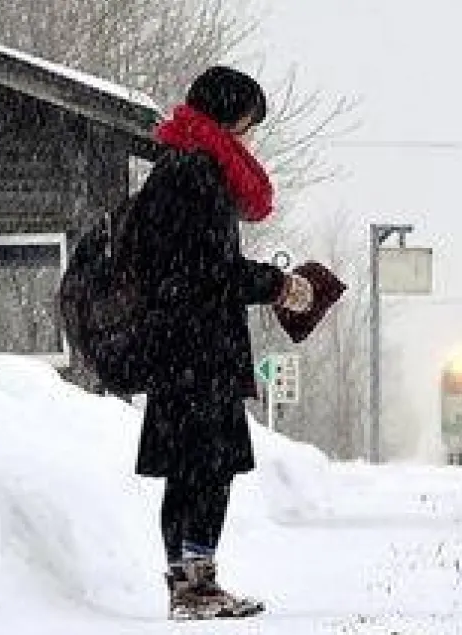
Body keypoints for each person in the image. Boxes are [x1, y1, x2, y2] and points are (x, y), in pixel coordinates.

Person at [121, 65, 313, 620]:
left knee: (187, 470)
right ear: (231, 116)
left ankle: (186, 586)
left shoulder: (175, 167)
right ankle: (198, 589)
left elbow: (187, 267)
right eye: (248, 123)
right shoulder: (200, 174)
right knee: (208, 469)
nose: (249, 137)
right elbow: (210, 270)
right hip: (200, 350)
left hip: (175, 348)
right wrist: (279, 285)